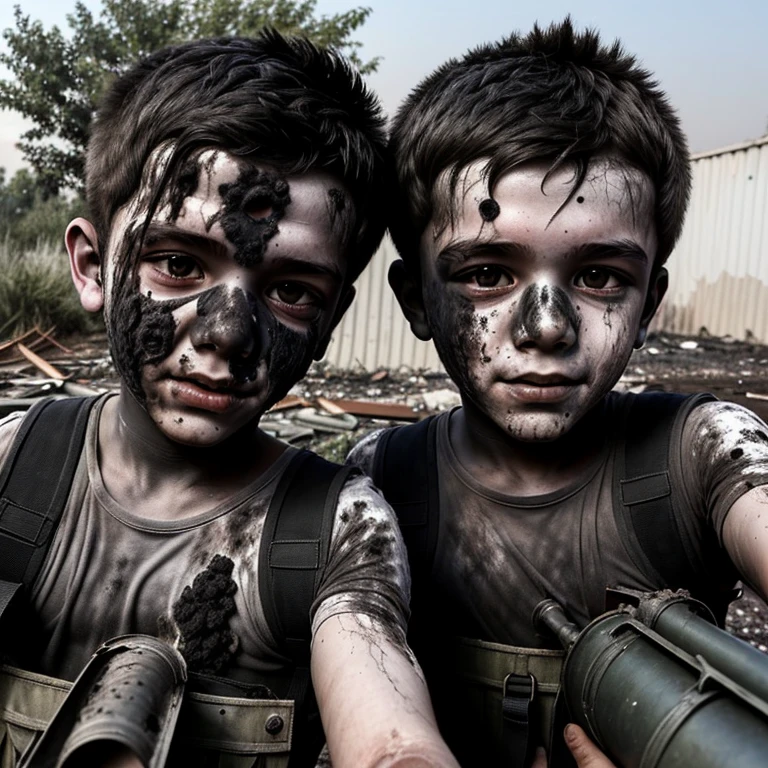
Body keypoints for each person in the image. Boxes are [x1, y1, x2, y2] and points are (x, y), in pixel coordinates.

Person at [0, 32, 460, 768]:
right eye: (178, 263)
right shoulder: (12, 464)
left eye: (288, 291)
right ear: (91, 266)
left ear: (329, 322)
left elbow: (390, 735)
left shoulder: (338, 529)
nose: (226, 336)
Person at [348, 18, 768, 767]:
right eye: (488, 274)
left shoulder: (705, 454)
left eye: (600, 276)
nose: (546, 326)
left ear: (648, 304)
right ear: (416, 300)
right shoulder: (377, 479)